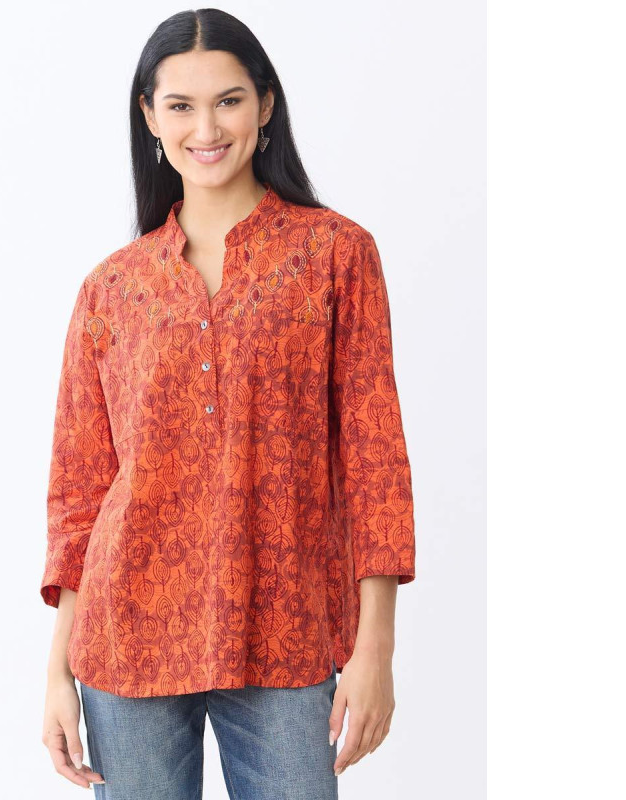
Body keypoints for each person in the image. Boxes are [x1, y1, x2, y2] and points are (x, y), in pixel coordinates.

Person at [40, 9, 416, 799]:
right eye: (180, 105)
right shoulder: (112, 288)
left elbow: (374, 459)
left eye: (229, 101)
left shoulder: (336, 256)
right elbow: (81, 495)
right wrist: (57, 673)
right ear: (150, 117)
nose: (206, 128)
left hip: (285, 631)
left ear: (266, 105)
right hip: (127, 640)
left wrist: (375, 646)